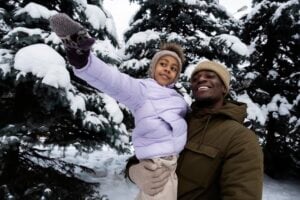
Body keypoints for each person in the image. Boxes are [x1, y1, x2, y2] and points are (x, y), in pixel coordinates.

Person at [49, 13, 189, 200]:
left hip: (174, 167)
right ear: (153, 68)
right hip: (155, 168)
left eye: (173, 68)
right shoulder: (142, 89)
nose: (168, 70)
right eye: (163, 64)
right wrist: (82, 59)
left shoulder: (179, 100)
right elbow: (114, 81)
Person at [126, 60, 264, 199]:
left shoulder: (240, 138)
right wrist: (134, 172)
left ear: (224, 88)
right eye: (195, 79)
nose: (201, 79)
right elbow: (142, 155)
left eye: (210, 76)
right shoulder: (177, 122)